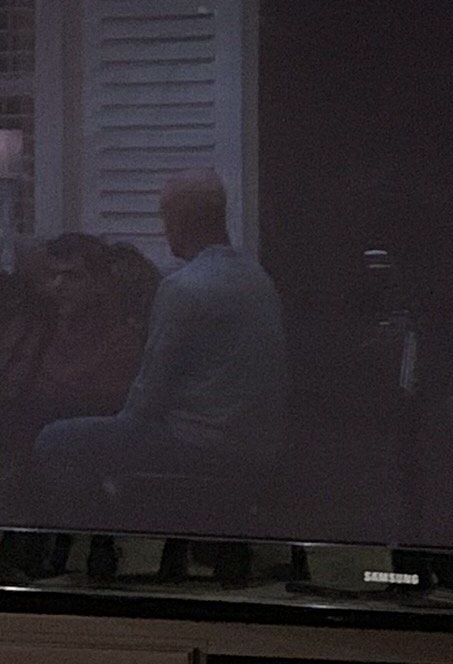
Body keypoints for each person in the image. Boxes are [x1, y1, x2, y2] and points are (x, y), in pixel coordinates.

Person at [32, 172, 287, 527]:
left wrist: (115, 433)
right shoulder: (255, 275)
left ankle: (99, 546)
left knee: (54, 439)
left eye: (165, 219)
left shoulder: (182, 288)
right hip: (256, 445)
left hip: (201, 447)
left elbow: (147, 397)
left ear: (179, 222)